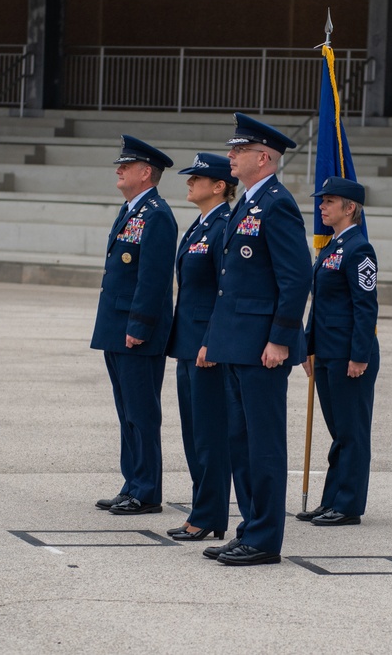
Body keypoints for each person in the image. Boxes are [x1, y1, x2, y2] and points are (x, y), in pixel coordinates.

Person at [201, 113, 312, 567]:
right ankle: (250, 527)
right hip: (236, 341)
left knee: (263, 442)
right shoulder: (247, 203)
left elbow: (295, 276)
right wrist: (215, 337)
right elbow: (230, 282)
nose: (229, 156)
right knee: (240, 440)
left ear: (262, 158)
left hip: (263, 346)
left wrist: (282, 339)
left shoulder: (276, 204)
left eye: (237, 150)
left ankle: (265, 538)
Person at [92, 135, 177, 516]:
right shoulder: (132, 210)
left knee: (141, 412)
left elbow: (153, 278)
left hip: (136, 330)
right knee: (126, 410)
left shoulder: (156, 214)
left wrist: (140, 325)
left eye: (125, 166)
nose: (118, 170)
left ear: (146, 173)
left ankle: (146, 490)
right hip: (116, 325)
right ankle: (132, 482)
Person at [298, 176, 379, 527]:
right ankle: (331, 499)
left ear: (350, 208)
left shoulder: (360, 249)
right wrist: (307, 346)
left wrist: (359, 355)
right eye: (322, 201)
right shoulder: (332, 247)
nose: (322, 206)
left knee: (352, 432)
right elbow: (320, 305)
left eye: (329, 201)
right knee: (339, 432)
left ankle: (347, 505)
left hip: (350, 356)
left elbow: (366, 306)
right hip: (328, 353)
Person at [165, 153, 237, 541]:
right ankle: (202, 507)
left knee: (209, 434)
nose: (189, 183)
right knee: (195, 433)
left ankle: (208, 515)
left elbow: (225, 291)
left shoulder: (224, 226)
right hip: (188, 343)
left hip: (207, 348)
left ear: (219, 186)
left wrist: (212, 341)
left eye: (197, 178)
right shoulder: (199, 226)